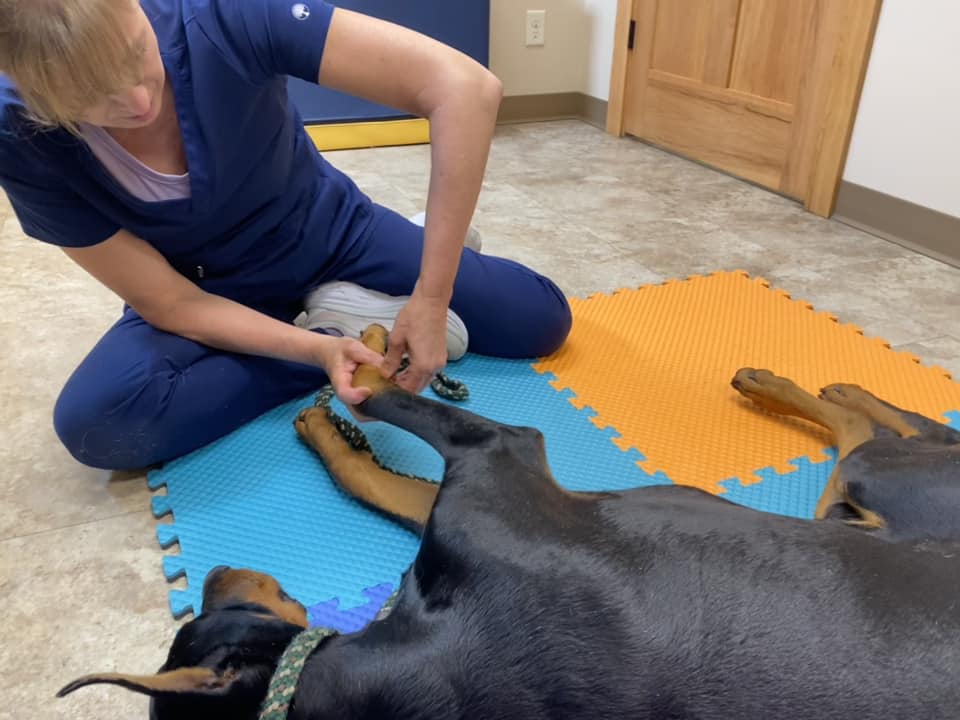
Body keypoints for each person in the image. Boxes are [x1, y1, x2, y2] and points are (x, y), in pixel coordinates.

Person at [0, 0, 571, 471]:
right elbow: (170, 302)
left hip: (332, 232)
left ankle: (410, 258)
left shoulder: (220, 17)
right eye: (90, 99)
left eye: (137, 54)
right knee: (99, 423)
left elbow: (465, 87)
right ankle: (338, 321)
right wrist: (321, 349)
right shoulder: (18, 133)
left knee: (540, 318)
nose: (139, 102)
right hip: (211, 289)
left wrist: (431, 294)